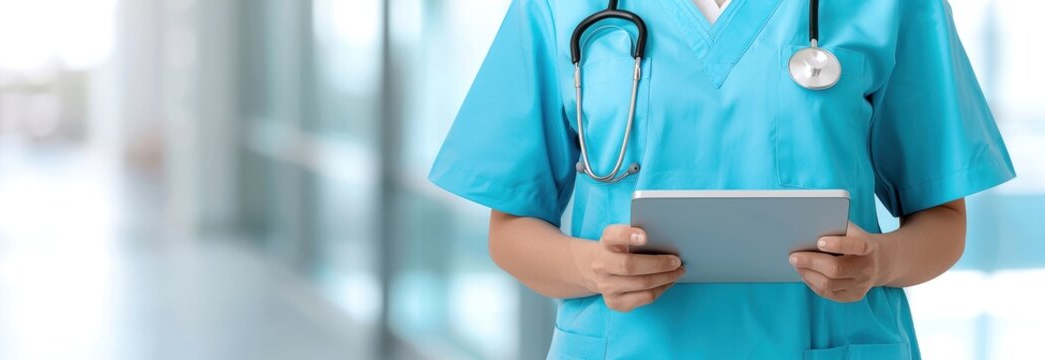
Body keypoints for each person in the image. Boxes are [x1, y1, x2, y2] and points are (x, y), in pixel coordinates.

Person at [428, 0, 1016, 358]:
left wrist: (879, 262)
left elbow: (943, 220)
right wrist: (589, 267)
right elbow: (510, 229)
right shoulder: (557, 6)